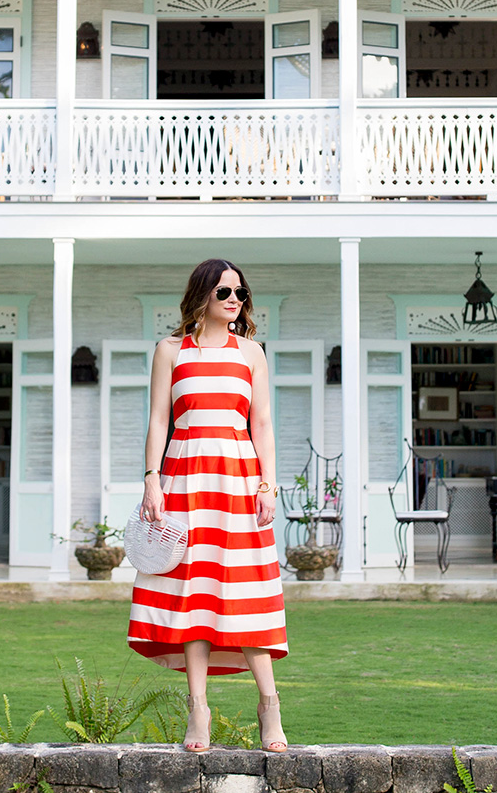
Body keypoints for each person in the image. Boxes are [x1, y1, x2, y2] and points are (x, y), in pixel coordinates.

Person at [127, 257, 288, 753]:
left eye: (240, 292)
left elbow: (261, 424)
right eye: (223, 292)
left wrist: (269, 486)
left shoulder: (252, 354)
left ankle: (270, 707)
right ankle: (199, 710)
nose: (234, 300)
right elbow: (158, 421)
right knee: (193, 596)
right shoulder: (170, 351)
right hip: (184, 480)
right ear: (202, 296)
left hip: (238, 483)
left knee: (245, 595)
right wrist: (151, 481)